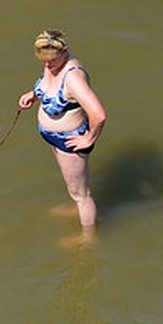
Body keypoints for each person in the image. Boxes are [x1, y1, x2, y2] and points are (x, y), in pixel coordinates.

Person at [17, 29, 107, 231]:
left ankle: (88, 238)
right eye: (43, 61)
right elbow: (50, 86)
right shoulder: (52, 62)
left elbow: (99, 114)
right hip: (53, 137)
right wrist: (34, 94)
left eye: (52, 60)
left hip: (69, 141)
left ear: (64, 52)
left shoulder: (73, 79)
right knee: (73, 186)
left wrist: (88, 139)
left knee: (82, 195)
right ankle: (76, 206)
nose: (47, 65)